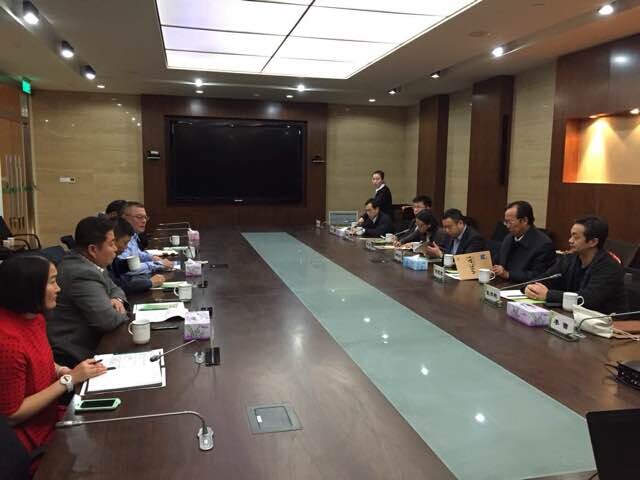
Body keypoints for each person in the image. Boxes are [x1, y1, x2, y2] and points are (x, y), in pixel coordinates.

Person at [0, 255, 106, 469]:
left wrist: (61, 370)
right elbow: (12, 414)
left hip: (51, 417)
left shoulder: (34, 318)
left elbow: (41, 360)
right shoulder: (6, 342)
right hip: (29, 442)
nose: (58, 289)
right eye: (52, 282)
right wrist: (68, 380)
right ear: (28, 287)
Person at [47, 216, 130, 367]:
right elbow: (108, 321)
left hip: (95, 342)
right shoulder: (81, 273)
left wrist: (117, 300)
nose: (115, 249)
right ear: (93, 249)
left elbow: (115, 288)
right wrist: (122, 311)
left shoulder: (89, 263)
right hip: (77, 355)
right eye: (111, 244)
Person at [524, 216, 627, 313]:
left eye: (576, 237)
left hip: (607, 322)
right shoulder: (569, 259)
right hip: (573, 316)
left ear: (593, 242)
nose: (570, 241)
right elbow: (544, 279)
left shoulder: (609, 266)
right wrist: (530, 288)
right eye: (571, 236)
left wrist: (548, 295)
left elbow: (588, 299)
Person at [491, 201, 555, 282]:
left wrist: (508, 274)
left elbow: (539, 276)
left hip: (523, 287)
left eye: (510, 222)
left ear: (525, 220)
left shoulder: (544, 244)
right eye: (505, 222)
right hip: (502, 284)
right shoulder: (509, 237)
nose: (507, 226)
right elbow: (498, 260)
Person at [108, 219, 165, 294]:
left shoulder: (113, 258)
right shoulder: (102, 263)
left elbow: (119, 265)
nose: (126, 247)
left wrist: (131, 263)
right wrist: (150, 282)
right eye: (125, 243)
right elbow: (120, 286)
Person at [120, 201, 172, 274]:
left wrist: (152, 258)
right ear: (124, 218)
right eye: (139, 217)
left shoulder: (133, 235)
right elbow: (129, 268)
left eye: (145, 217)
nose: (144, 221)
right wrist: (159, 264)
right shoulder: (120, 238)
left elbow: (137, 254)